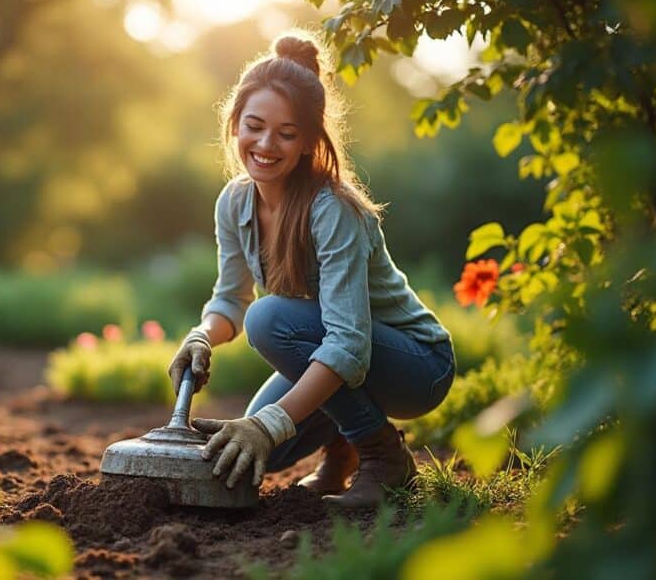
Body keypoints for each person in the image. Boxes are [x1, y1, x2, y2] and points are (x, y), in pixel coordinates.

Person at [167, 30, 456, 509]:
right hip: (353, 352)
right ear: (234, 123)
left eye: (286, 133)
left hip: (417, 364)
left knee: (270, 322)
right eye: (253, 126)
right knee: (268, 452)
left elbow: (348, 345)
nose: (265, 144)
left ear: (307, 142)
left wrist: (268, 423)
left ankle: (383, 459)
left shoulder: (333, 210)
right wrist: (201, 335)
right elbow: (230, 300)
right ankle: (341, 452)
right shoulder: (235, 202)